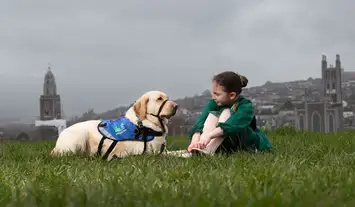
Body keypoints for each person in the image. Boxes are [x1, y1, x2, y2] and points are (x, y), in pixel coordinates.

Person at [187, 71, 272, 155]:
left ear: (232, 95)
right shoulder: (214, 102)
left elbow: (232, 125)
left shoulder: (245, 106)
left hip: (244, 142)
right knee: (212, 115)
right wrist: (195, 141)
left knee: (226, 112)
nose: (213, 97)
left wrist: (210, 136)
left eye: (217, 94)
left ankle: (209, 149)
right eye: (212, 93)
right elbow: (200, 122)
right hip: (224, 142)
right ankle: (201, 147)